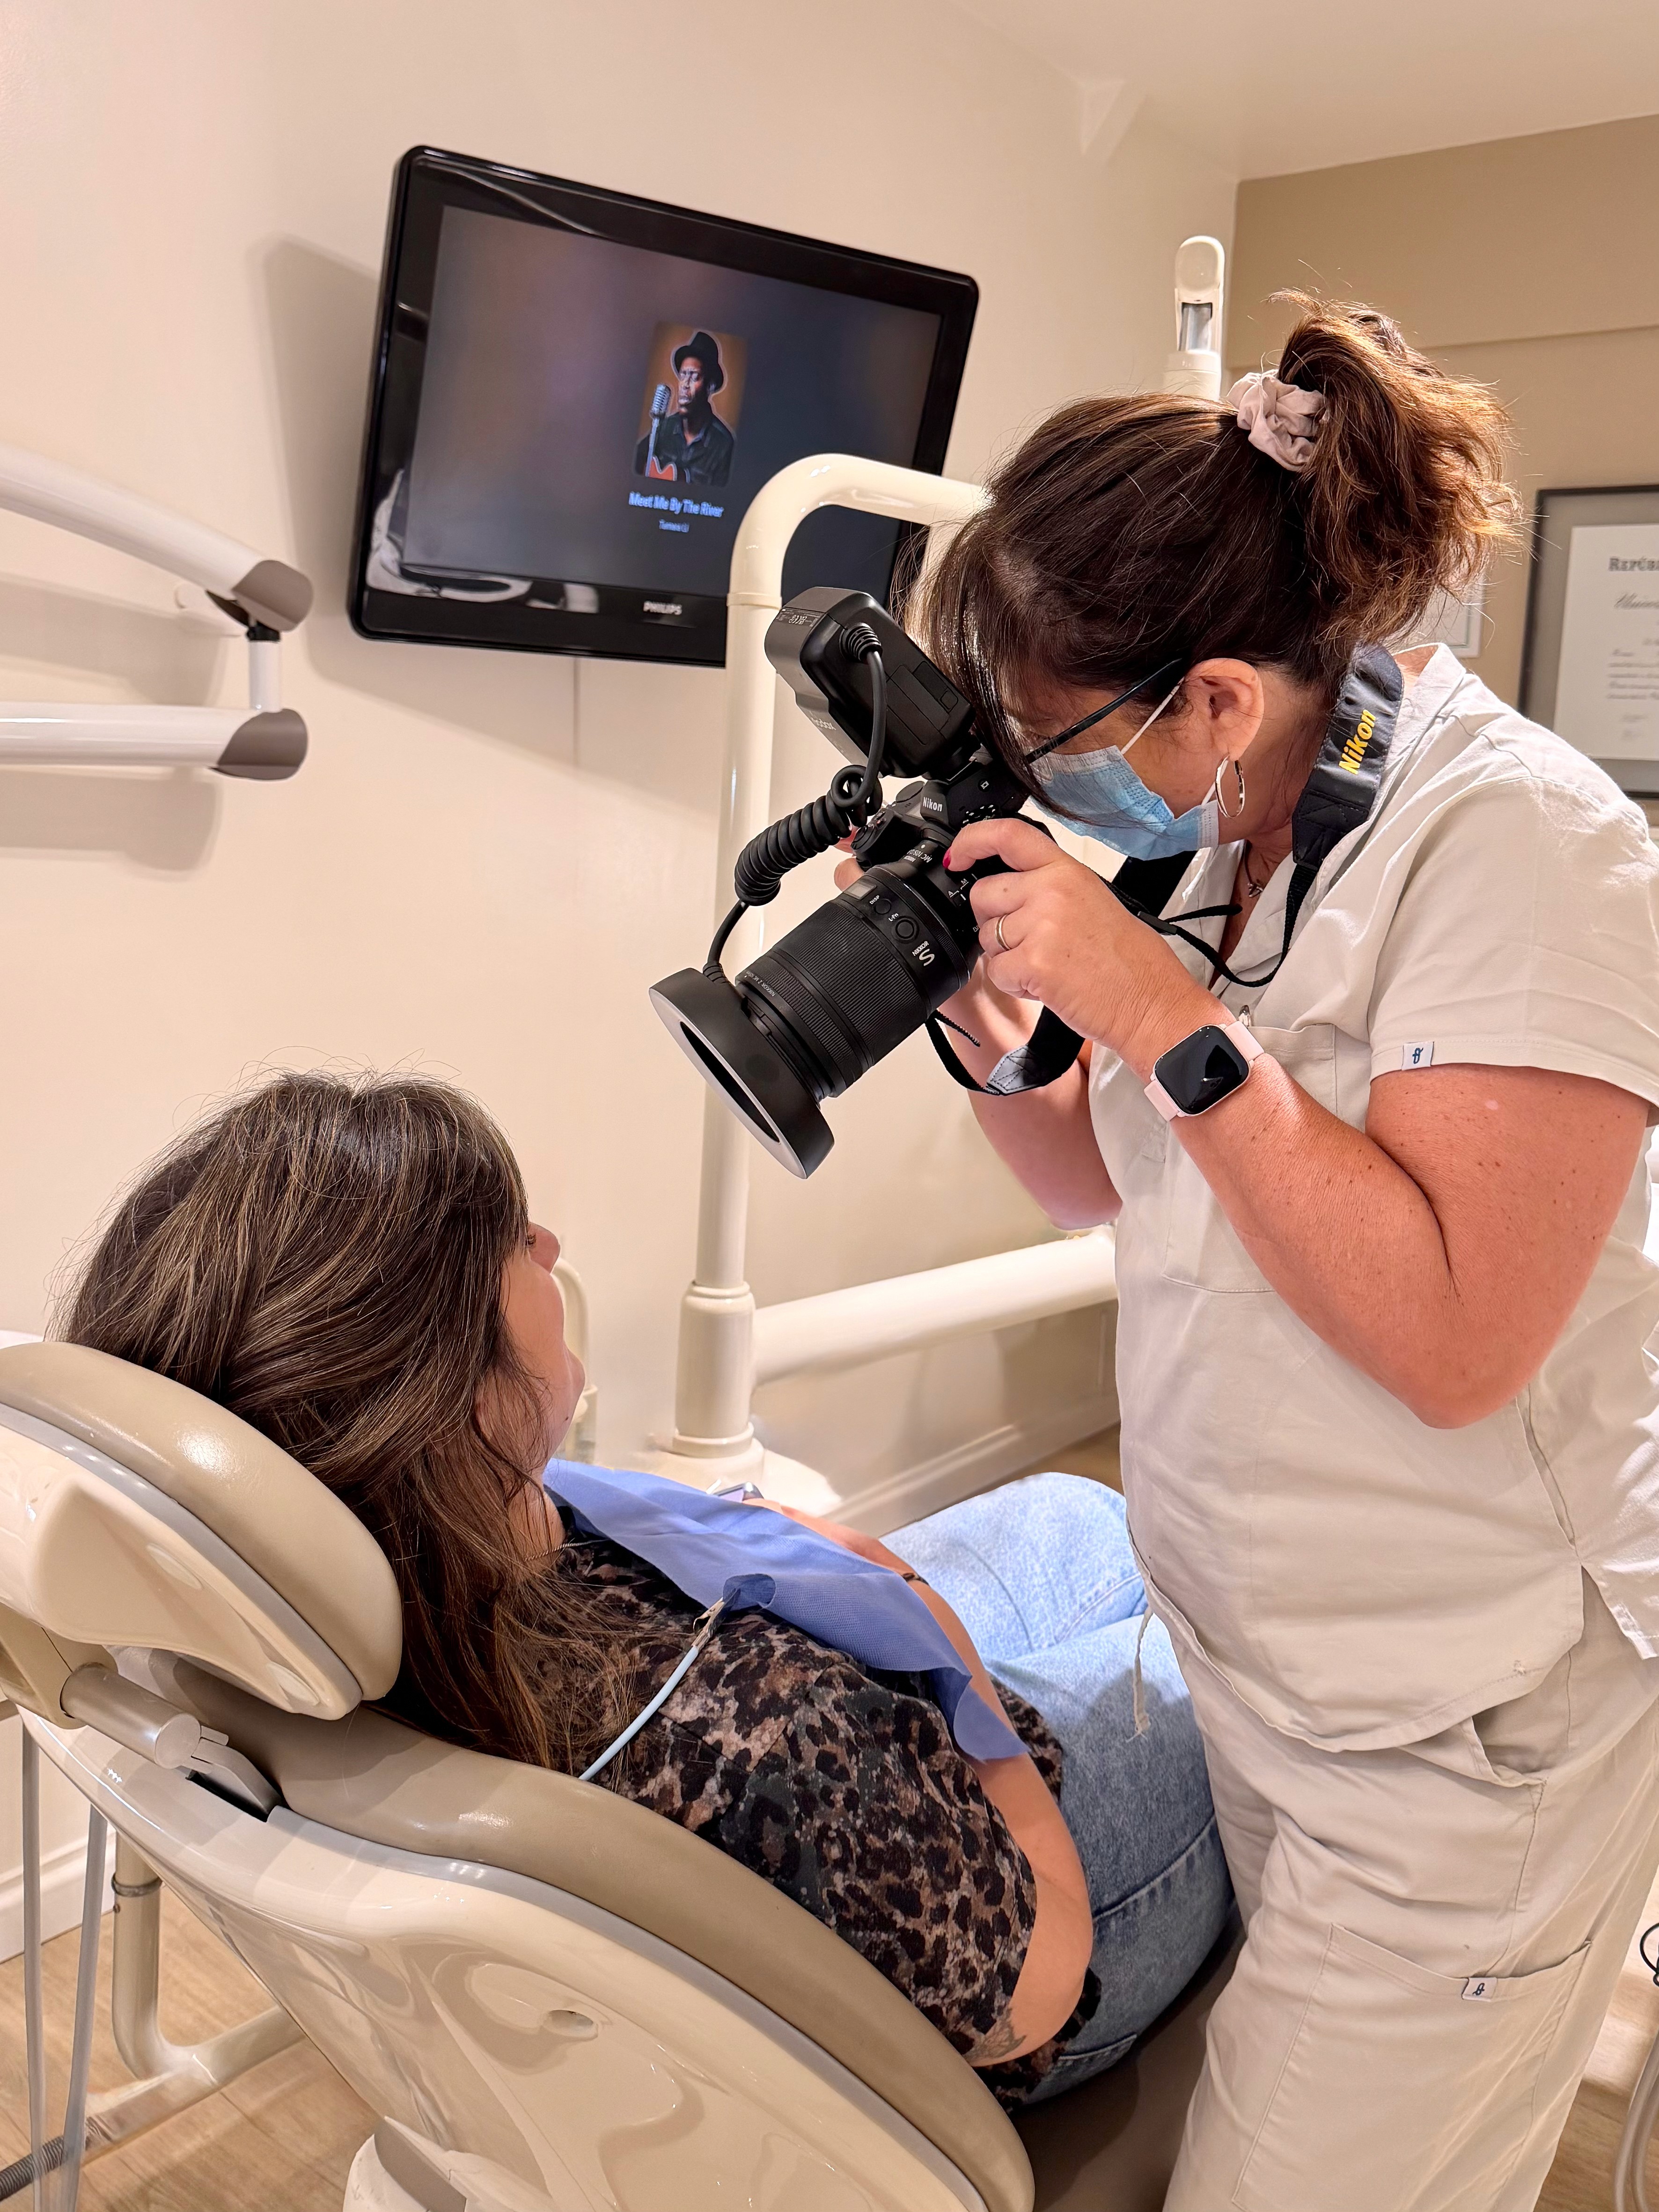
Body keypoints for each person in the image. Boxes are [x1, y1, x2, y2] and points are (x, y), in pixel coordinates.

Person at [852, 295, 1659, 2205]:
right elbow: (1110, 1194)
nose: (1043, 790)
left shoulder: (1520, 849)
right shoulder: (1233, 822)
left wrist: (1149, 1011)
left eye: (1051, 741)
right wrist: (995, 1026)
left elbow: (1462, 1335)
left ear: (1211, 694)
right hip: (1258, 1662)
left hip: (1463, 1731)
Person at [60, 1070, 1230, 2109]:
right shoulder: (760, 1734)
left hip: (870, 1771)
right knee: (1230, 1669)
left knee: (1085, 1518)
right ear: (449, 1399)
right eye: (512, 1243)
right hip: (1045, 1905)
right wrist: (958, 1681)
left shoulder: (403, 1581)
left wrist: (827, 1574)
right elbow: (1034, 1991)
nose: (553, 1243)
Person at [633, 330, 736, 486]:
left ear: (710, 386)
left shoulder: (724, 446)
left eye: (694, 377)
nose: (685, 385)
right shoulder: (663, 428)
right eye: (683, 376)